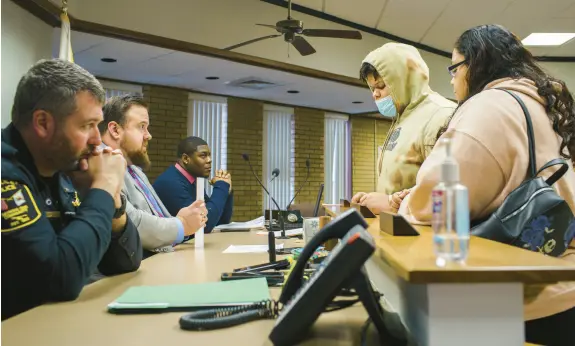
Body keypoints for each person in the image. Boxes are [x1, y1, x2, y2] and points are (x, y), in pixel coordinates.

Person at [397, 24, 575, 345]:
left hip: (524, 302)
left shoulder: (486, 106)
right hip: (565, 283)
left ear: (475, 63)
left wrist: (404, 204)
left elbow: (434, 202)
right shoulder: (551, 106)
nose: (451, 79)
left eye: (454, 68)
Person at [1, 59, 142, 320]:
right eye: (87, 125)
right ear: (43, 123)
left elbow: (126, 261)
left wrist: (111, 199)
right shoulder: (5, 175)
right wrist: (103, 186)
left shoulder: (65, 166)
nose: (97, 140)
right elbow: (60, 278)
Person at [351, 43, 456, 214]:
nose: (375, 94)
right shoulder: (403, 118)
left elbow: (447, 195)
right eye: (372, 88)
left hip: (423, 236)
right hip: (398, 231)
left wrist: (390, 203)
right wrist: (374, 199)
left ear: (402, 81)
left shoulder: (439, 115)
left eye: (381, 86)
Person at [99, 95, 207, 257]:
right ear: (115, 130)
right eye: (141, 127)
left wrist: (184, 220)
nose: (148, 135)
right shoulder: (101, 162)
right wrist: (182, 224)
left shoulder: (134, 169)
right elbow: (129, 223)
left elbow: (156, 218)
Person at [153, 136, 234, 234]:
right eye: (203, 156)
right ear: (186, 159)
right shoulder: (171, 183)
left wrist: (227, 192)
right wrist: (221, 186)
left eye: (209, 155)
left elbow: (219, 221)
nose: (209, 160)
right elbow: (203, 226)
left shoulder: (192, 180)